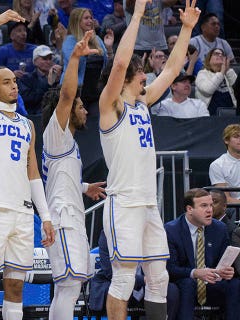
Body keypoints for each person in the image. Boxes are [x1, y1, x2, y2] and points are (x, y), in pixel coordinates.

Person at [97, 0, 200, 319]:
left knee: (159, 279)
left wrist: (186, 29)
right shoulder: (110, 106)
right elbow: (119, 64)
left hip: (147, 203)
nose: (146, 81)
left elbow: (171, 69)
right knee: (125, 278)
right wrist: (138, 14)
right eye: (140, 77)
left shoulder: (142, 103)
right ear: (126, 79)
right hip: (123, 202)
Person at [0, 10, 55, 320]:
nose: (13, 85)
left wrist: (44, 215)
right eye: (5, 82)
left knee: (16, 287)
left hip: (22, 211)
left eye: (14, 80)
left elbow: (32, 172)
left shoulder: (27, 125)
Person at [41, 30, 106, 319]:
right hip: (63, 219)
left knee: (70, 286)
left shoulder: (67, 142)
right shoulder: (56, 133)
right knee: (69, 285)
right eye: (81, 107)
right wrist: (76, 58)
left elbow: (57, 177)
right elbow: (67, 94)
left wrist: (83, 186)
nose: (86, 111)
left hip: (69, 215)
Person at [165, 188, 240, 320]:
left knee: (235, 284)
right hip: (186, 282)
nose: (210, 210)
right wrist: (195, 273)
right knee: (188, 284)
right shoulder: (171, 230)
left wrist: (227, 271)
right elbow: (170, 269)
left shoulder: (219, 228)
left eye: (211, 205)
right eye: (204, 206)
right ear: (189, 209)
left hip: (211, 283)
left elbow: (223, 262)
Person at [61, 8, 111, 115]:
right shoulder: (70, 41)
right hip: (75, 92)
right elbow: (73, 67)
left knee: (95, 123)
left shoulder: (97, 39)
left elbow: (107, 66)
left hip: (95, 91)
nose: (90, 21)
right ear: (77, 21)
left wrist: (109, 49)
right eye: (86, 18)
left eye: (91, 18)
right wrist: (82, 54)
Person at [20, 44, 61, 115]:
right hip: (36, 117)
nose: (48, 62)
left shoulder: (58, 77)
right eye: (44, 59)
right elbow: (29, 100)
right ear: (35, 61)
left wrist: (58, 81)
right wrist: (48, 84)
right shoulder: (26, 79)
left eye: (50, 58)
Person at [195, 48, 237, 116]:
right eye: (216, 54)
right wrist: (222, 72)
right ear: (209, 59)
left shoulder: (229, 73)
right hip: (210, 115)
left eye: (222, 55)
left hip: (231, 114)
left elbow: (238, 89)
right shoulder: (202, 73)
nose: (220, 55)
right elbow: (208, 90)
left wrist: (228, 70)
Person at [209, 124, 240, 204]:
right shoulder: (217, 165)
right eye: (236, 137)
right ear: (226, 140)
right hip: (233, 207)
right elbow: (225, 199)